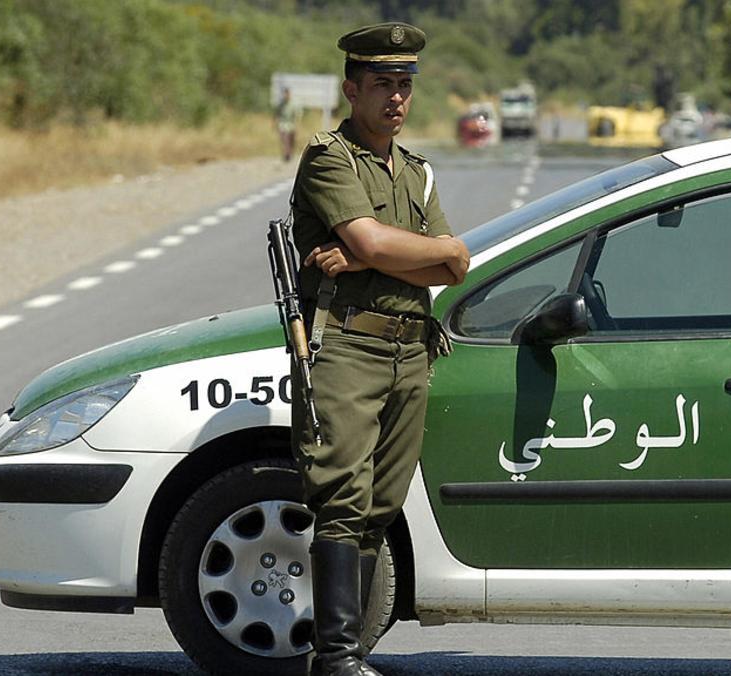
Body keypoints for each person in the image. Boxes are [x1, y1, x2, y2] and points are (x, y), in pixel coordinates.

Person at [288, 21, 469, 676]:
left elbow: (452, 266)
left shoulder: (415, 173)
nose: (395, 98)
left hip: (409, 350)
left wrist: (420, 254)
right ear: (351, 89)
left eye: (403, 86)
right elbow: (379, 246)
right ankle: (334, 659)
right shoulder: (330, 158)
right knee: (342, 499)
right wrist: (419, 253)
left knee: (381, 506)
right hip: (349, 347)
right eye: (382, 85)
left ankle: (351, 654)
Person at [275, 87, 298, 162]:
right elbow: (277, 114)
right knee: (285, 140)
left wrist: (296, 125)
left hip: (291, 125)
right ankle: (286, 154)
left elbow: (296, 116)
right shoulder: (281, 104)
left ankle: (290, 153)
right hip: (283, 124)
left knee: (291, 141)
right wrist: (276, 123)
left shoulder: (293, 104)